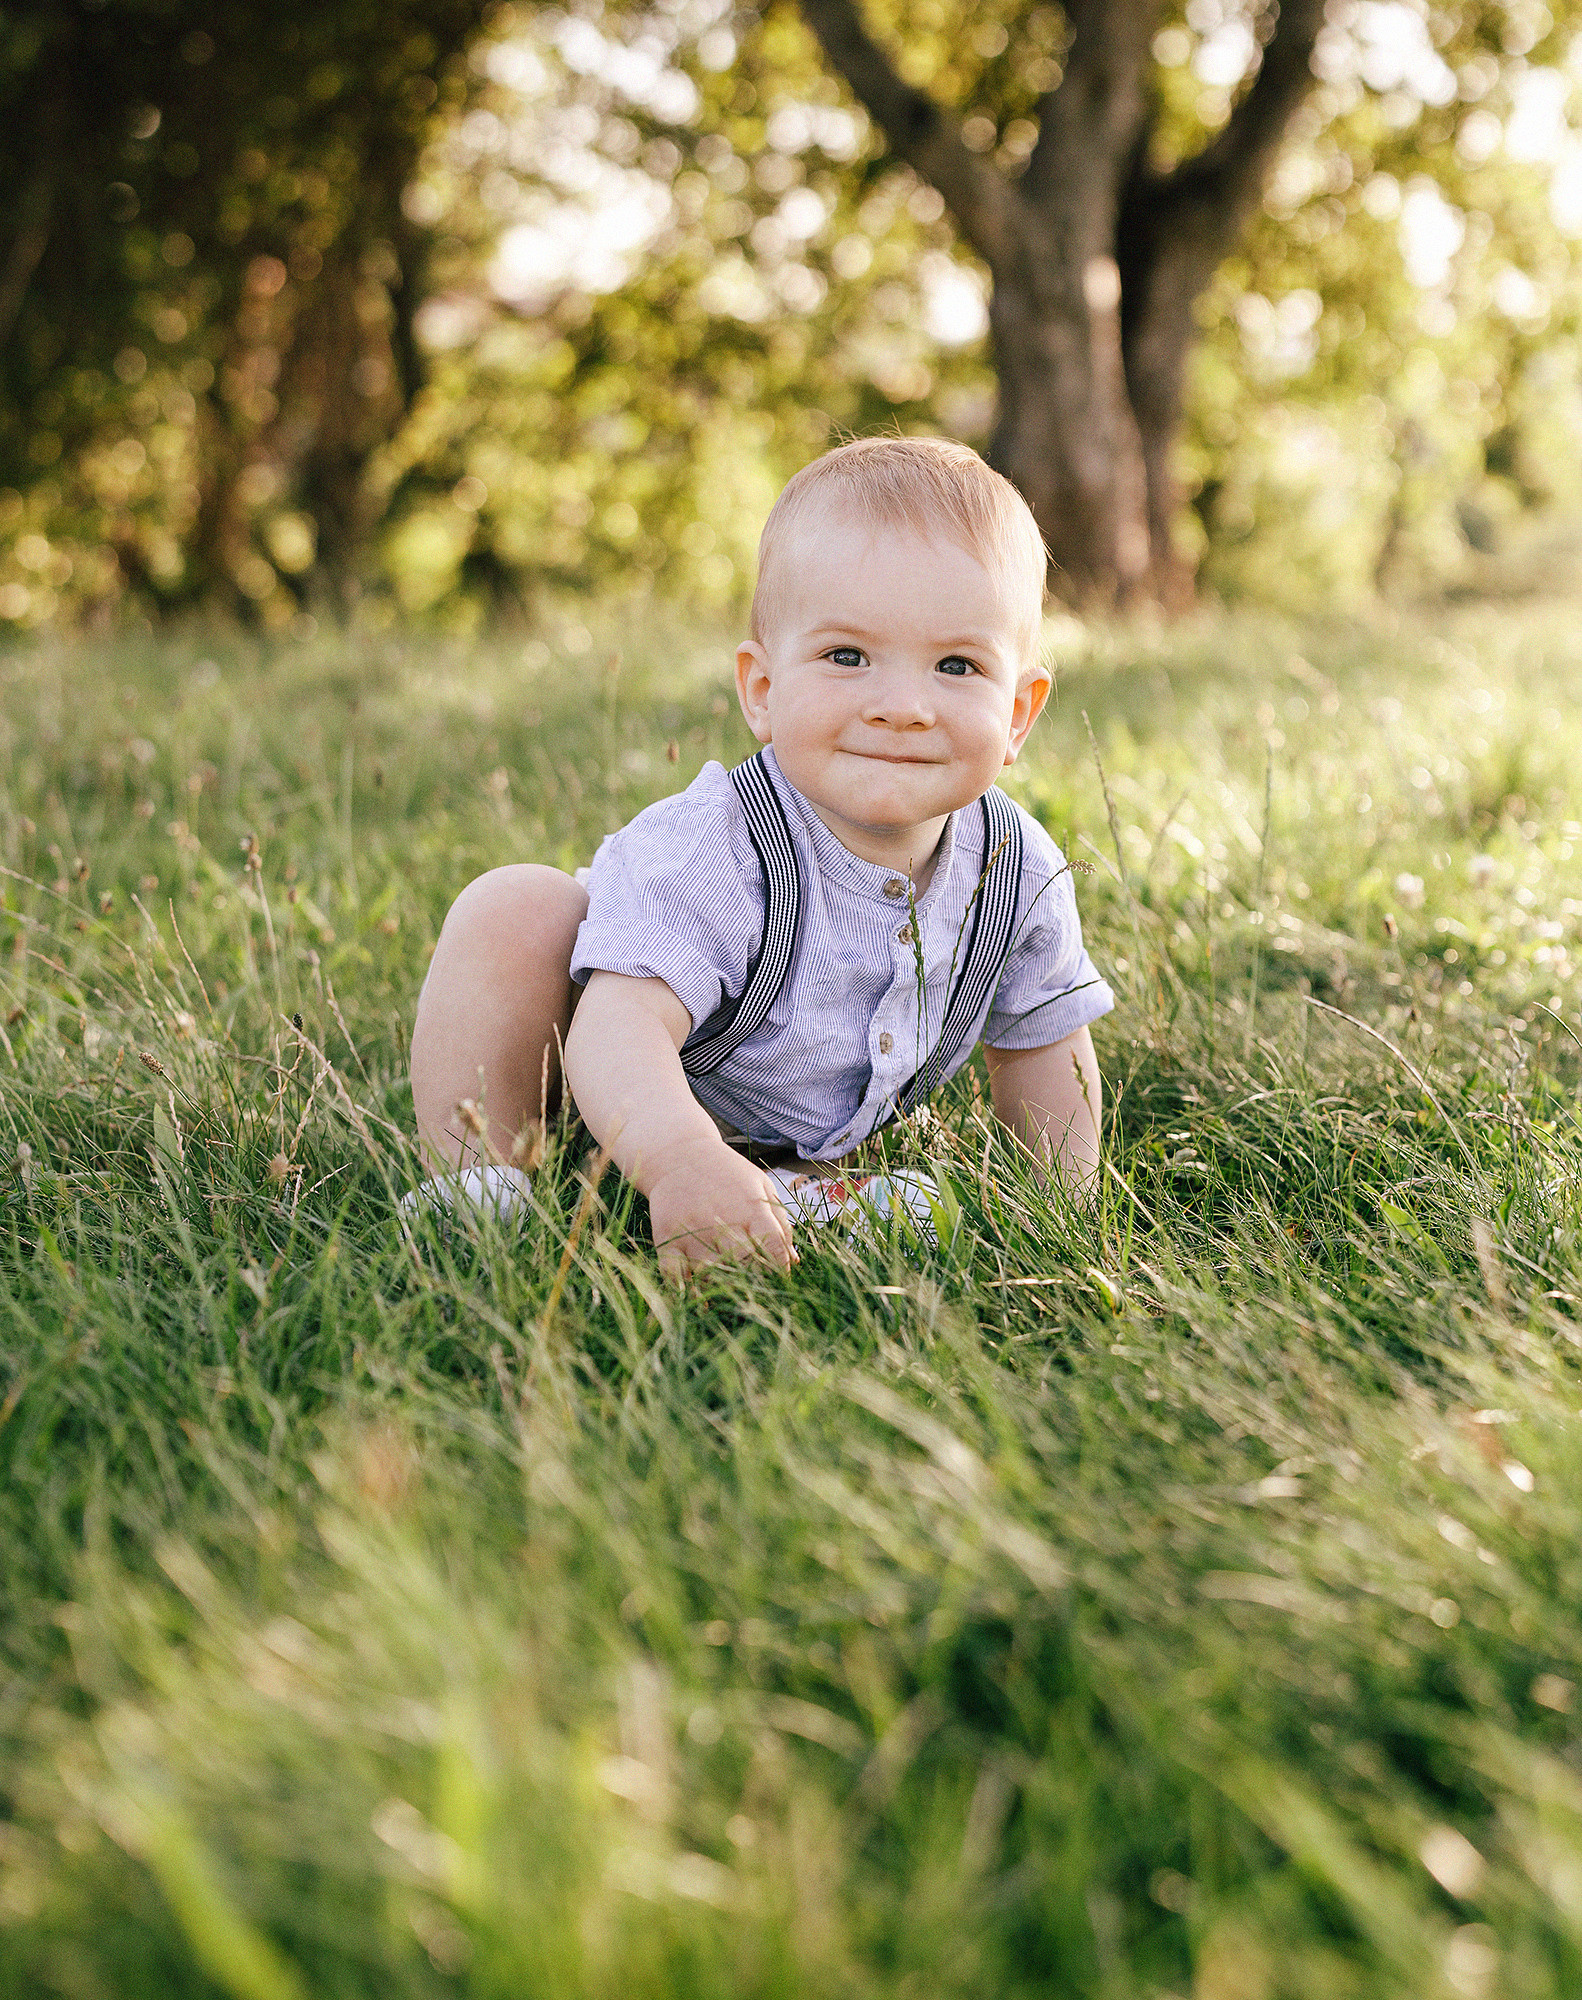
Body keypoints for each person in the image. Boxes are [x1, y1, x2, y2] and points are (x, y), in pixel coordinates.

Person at [409, 435, 1113, 1276]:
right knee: (517, 908)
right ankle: (478, 1189)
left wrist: (1059, 1216)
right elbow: (619, 1027)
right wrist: (679, 1159)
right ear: (763, 690)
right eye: (847, 657)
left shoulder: (1017, 870)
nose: (902, 706)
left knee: (893, 1210)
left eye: (957, 666)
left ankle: (793, 1199)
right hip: (593, 1082)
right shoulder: (721, 845)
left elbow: (1043, 1047)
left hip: (780, 1139)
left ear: (1019, 714)